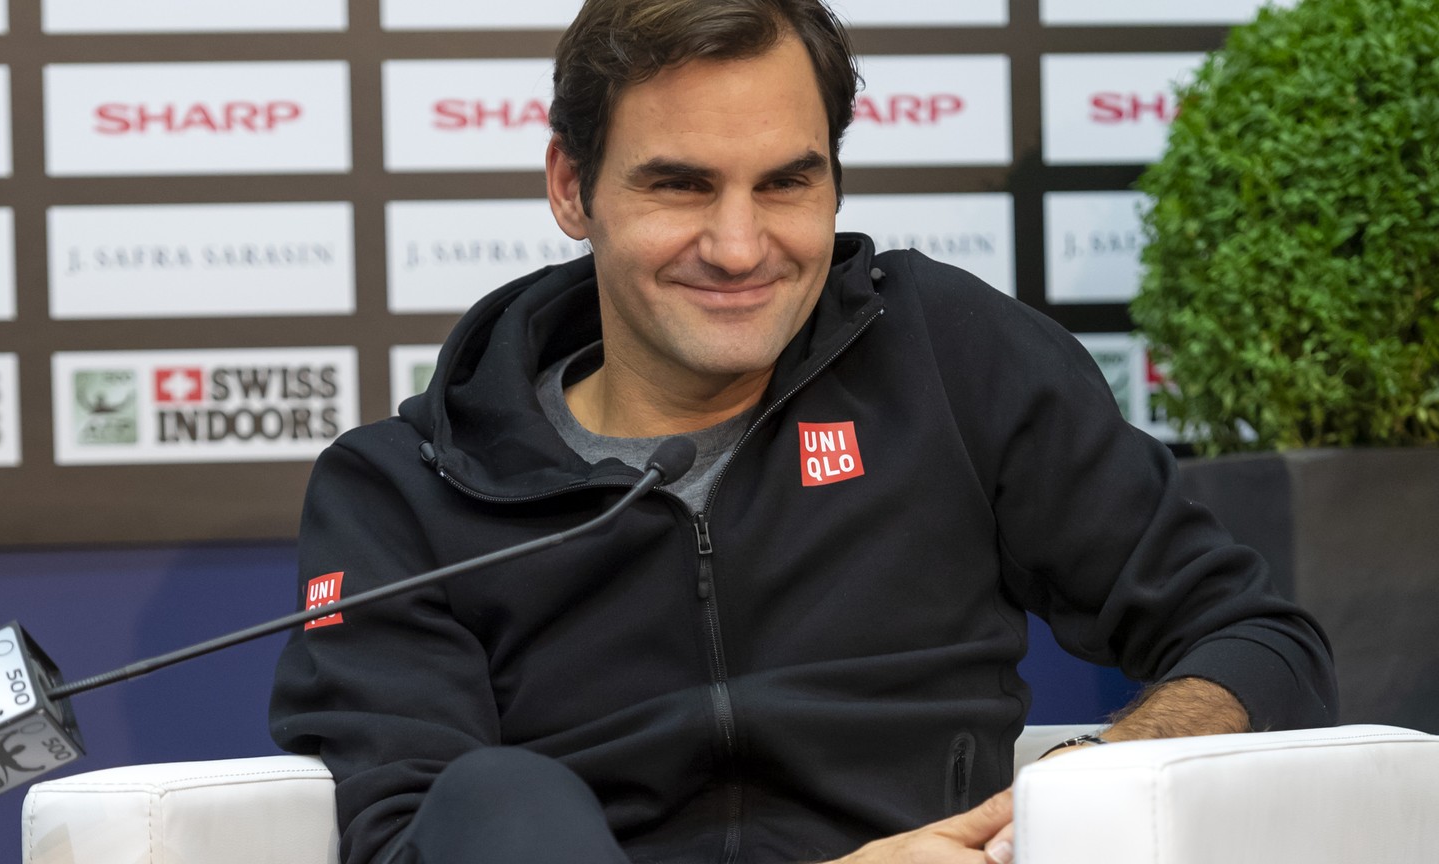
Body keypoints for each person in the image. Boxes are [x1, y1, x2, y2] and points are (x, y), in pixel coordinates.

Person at [270, 1, 1337, 862]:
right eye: (680, 186)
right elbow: (423, 840)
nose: (740, 248)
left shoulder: (948, 356)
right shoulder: (401, 493)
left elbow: (1259, 641)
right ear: (571, 187)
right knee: (500, 800)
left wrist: (1090, 784)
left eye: (787, 182)